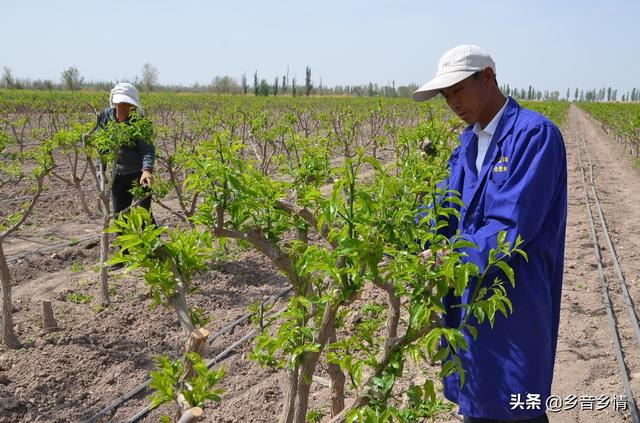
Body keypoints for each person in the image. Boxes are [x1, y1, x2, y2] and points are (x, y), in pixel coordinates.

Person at [413, 45, 567, 423]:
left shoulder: (534, 136)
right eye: (445, 96)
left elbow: (510, 226)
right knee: (477, 402)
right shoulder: (468, 143)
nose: (451, 102)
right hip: (466, 299)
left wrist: (449, 258)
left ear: (487, 77)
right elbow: (444, 211)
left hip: (513, 300)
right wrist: (418, 239)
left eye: (457, 91)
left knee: (517, 404)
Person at [94, 82, 155, 214]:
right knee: (120, 216)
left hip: (138, 174)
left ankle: (151, 235)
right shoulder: (105, 117)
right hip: (118, 175)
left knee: (143, 215)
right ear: (114, 104)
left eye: (129, 105)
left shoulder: (141, 122)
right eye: (121, 104)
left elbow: (148, 149)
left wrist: (147, 170)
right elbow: (101, 145)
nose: (125, 108)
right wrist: (101, 168)